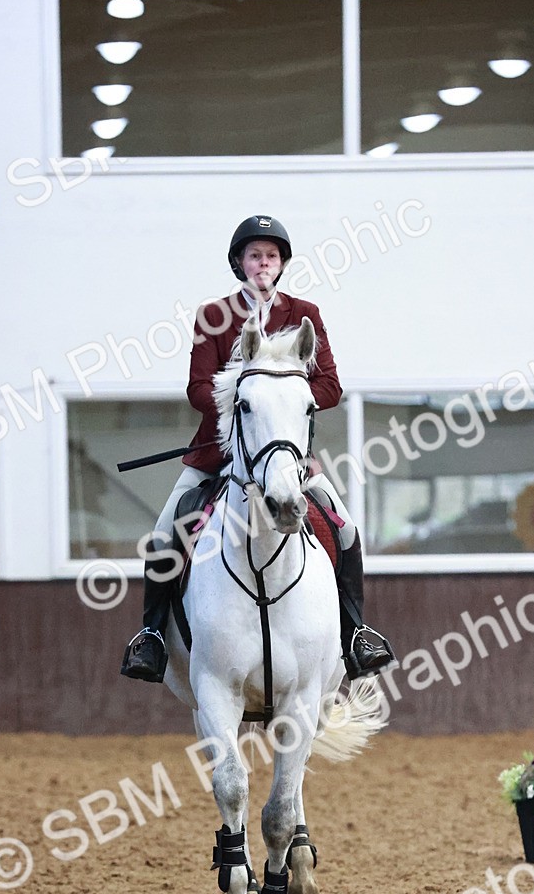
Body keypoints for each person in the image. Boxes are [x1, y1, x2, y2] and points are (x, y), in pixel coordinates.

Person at [121, 214, 395, 683]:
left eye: (271, 256)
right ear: (239, 263)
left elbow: (329, 387)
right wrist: (245, 398)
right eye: (254, 255)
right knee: (166, 532)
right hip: (219, 455)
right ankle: (152, 637)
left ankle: (356, 634)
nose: (263, 263)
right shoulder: (213, 316)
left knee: (345, 530)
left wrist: (284, 393)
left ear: (281, 263)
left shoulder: (305, 313)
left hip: (288, 458)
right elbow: (196, 389)